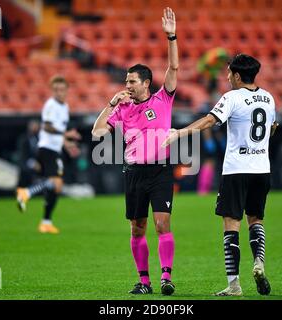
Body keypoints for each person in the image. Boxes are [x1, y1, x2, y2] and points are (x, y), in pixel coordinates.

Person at [164, 54, 278, 296]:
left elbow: (209, 120)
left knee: (231, 225)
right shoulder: (268, 97)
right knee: (256, 219)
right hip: (261, 168)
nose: (226, 77)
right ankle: (259, 262)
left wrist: (179, 133)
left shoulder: (232, 97)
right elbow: (272, 128)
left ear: (237, 75)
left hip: (236, 169)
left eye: (228, 73)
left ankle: (234, 284)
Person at [92, 7, 178, 295]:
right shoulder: (123, 107)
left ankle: (166, 277)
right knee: (137, 228)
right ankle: (144, 282)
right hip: (134, 172)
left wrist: (172, 37)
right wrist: (111, 103)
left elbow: (174, 69)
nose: (126, 85)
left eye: (131, 81)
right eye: (126, 81)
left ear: (145, 83)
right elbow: (97, 132)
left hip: (161, 170)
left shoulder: (163, 99)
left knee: (161, 223)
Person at [16, 75, 81, 234]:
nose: (59, 92)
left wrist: (68, 144)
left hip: (55, 148)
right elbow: (46, 127)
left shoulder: (64, 107)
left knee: (54, 187)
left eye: (62, 89)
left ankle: (46, 222)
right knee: (56, 183)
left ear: (66, 90)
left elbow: (58, 133)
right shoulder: (51, 105)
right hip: (47, 149)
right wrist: (66, 134)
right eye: (56, 90)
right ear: (53, 91)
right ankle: (26, 192)